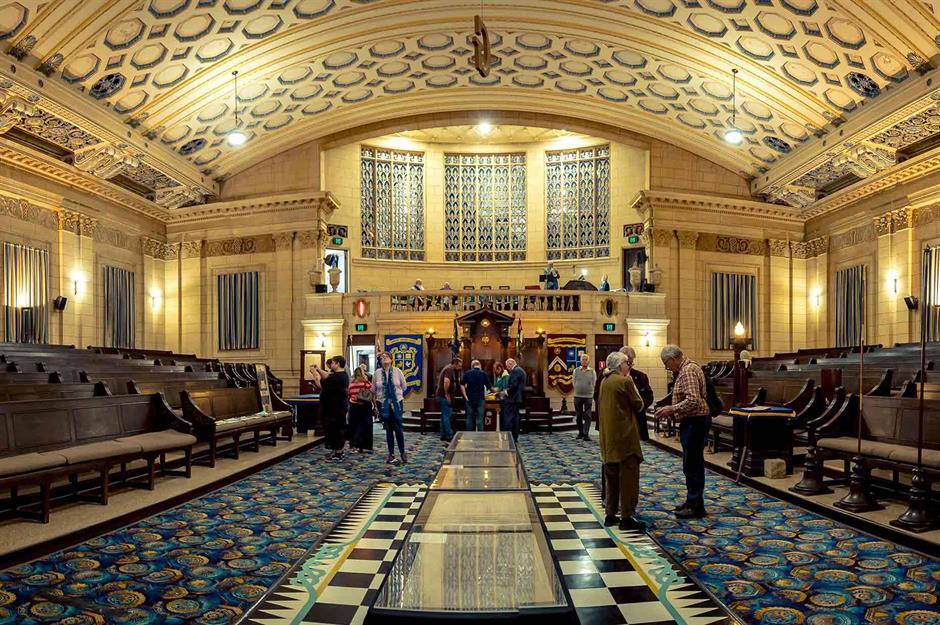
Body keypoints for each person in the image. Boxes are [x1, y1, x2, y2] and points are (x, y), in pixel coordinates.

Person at [655, 344, 710, 518]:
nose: (666, 367)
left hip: (695, 422)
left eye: (666, 363)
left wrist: (672, 409)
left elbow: (693, 400)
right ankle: (692, 500)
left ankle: (696, 505)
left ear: (672, 359)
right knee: (690, 463)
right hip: (692, 421)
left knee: (693, 464)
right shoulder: (687, 368)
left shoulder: (687, 371)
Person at [598, 351, 645, 531]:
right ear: (620, 365)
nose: (629, 366)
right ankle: (627, 516)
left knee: (611, 477)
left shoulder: (605, 381)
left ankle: (610, 513)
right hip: (625, 437)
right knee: (628, 479)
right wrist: (631, 381)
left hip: (608, 437)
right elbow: (639, 404)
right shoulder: (625, 381)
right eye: (627, 363)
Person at [374, 352, 408, 464]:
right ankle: (391, 454)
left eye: (386, 357)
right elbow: (374, 389)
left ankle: (402, 452)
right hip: (383, 403)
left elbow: (404, 386)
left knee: (398, 428)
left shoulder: (398, 371)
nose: (384, 359)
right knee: (388, 429)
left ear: (391, 359)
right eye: (382, 357)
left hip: (396, 402)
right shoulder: (377, 373)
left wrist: (394, 395)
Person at [315, 355, 349, 462]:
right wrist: (318, 369)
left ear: (338, 364)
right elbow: (328, 376)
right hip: (336, 407)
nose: (331, 365)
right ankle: (337, 450)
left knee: (336, 429)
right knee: (335, 428)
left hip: (336, 408)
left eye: (333, 363)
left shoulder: (338, 377)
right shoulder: (340, 375)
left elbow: (321, 383)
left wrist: (315, 374)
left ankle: (338, 452)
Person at [620, 346, 654, 441]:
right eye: (627, 362)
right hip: (620, 418)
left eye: (631, 361)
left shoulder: (641, 376)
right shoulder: (612, 377)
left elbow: (649, 396)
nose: (630, 364)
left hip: (638, 417)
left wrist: (640, 405)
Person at [347, 367, 374, 453]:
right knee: (366, 425)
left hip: (354, 406)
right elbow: (372, 394)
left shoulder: (351, 385)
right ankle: (366, 446)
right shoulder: (366, 383)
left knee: (354, 426)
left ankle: (354, 445)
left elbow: (348, 395)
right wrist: (375, 406)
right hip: (365, 406)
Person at [436, 356, 462, 441]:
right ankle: (449, 435)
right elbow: (446, 381)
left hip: (441, 395)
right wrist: (447, 394)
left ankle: (443, 434)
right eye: (459, 365)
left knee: (444, 416)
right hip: (444, 396)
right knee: (447, 416)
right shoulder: (449, 369)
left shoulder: (449, 368)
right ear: (455, 364)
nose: (460, 367)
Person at [573, 353, 597, 441]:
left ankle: (586, 433)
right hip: (578, 395)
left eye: (586, 359)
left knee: (588, 415)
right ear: (580, 361)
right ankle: (580, 432)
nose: (584, 361)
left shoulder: (592, 371)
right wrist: (578, 388)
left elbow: (595, 383)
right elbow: (573, 382)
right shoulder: (576, 370)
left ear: (588, 361)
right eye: (583, 359)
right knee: (578, 415)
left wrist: (590, 390)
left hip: (588, 396)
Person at [502, 358, 527, 441]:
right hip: (516, 399)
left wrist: (505, 392)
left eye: (507, 366)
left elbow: (514, 385)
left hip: (512, 399)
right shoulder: (520, 370)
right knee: (515, 418)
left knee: (509, 419)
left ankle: (509, 437)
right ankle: (514, 437)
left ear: (510, 364)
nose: (507, 368)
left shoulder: (515, 371)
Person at [461, 359, 490, 431]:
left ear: (472, 366)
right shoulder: (483, 374)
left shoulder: (467, 373)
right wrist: (497, 391)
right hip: (480, 399)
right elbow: (489, 387)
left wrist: (465, 396)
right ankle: (480, 436)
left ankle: (469, 436)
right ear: (479, 365)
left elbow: (461, 385)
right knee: (480, 419)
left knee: (469, 419)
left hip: (470, 399)